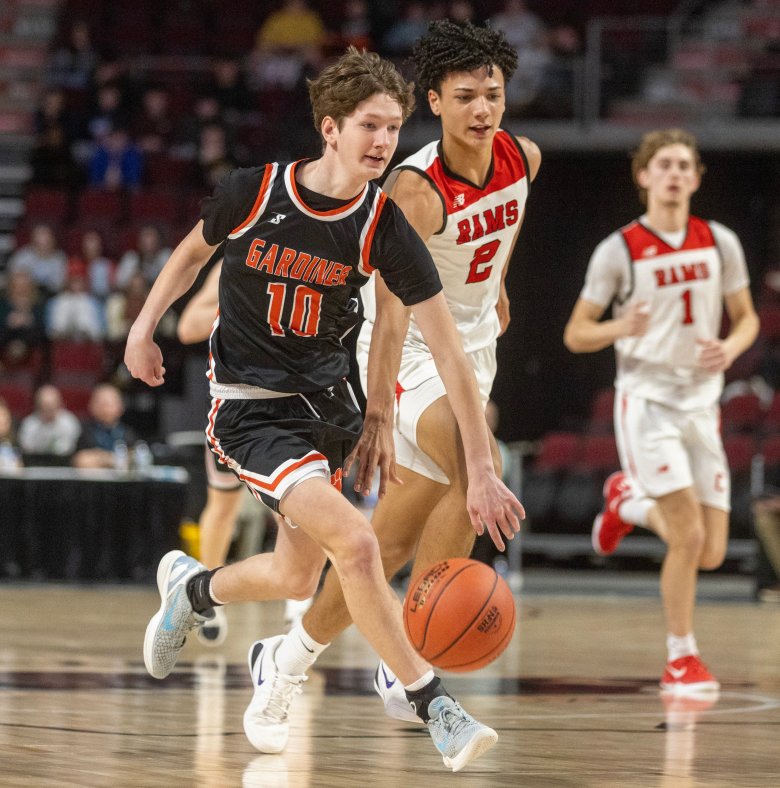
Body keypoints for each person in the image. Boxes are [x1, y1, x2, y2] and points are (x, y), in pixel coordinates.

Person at [125, 47, 523, 772]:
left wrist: (480, 465)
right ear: (330, 127)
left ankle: (193, 588)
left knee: (295, 577)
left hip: (326, 412)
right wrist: (142, 328)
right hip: (251, 411)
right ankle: (433, 702)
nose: (384, 142)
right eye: (370, 125)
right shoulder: (254, 191)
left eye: (394, 128)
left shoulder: (384, 225)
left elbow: (448, 350)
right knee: (360, 546)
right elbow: (188, 255)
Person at [267, 19, 540, 726]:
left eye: (493, 95)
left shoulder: (525, 157)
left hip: (472, 350)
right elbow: (389, 314)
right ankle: (412, 662)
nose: (482, 109)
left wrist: (499, 286)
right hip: (405, 350)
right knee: (475, 462)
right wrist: (380, 414)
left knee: (387, 541)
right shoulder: (415, 190)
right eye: (465, 97)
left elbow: (506, 225)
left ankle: (286, 658)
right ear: (436, 102)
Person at [563, 128, 759, 695]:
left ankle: (626, 499)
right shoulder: (619, 249)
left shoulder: (719, 241)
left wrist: (732, 346)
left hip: (702, 403)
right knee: (688, 537)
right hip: (647, 402)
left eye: (683, 166)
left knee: (712, 550)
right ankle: (681, 657)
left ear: (696, 178)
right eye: (664, 165)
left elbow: (746, 317)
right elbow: (576, 333)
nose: (674, 174)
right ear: (644, 176)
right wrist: (620, 326)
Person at [72, 383, 136, 469]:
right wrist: (116, 459)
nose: (105, 408)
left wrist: (101, 458)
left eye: (109, 404)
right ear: (91, 406)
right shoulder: (83, 430)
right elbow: (82, 460)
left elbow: (134, 459)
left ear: (121, 407)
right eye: (101, 404)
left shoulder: (128, 433)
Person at [18, 384, 81, 459]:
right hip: (36, 462)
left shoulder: (70, 422)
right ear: (38, 405)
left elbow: (72, 448)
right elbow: (27, 449)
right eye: (46, 404)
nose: (49, 408)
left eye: (52, 404)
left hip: (64, 462)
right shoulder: (29, 424)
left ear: (59, 403)